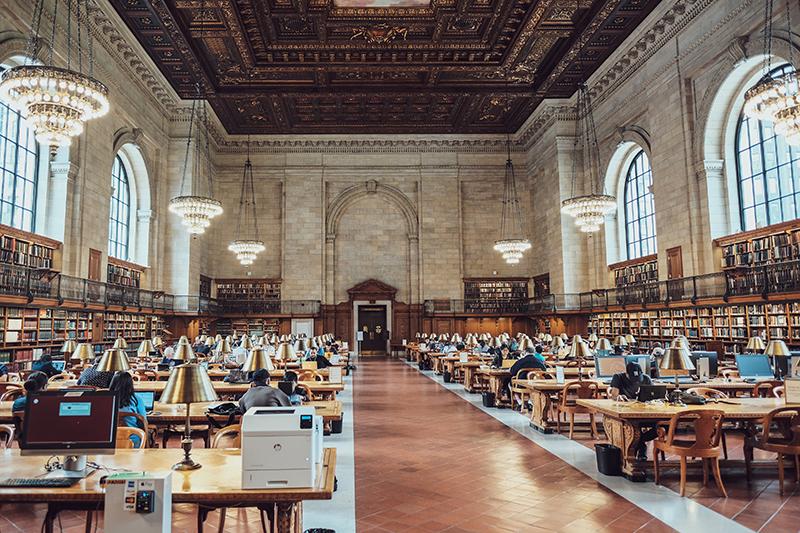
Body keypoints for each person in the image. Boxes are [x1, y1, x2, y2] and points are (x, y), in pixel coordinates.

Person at [610, 362, 657, 459]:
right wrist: (619, 396)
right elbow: (614, 395)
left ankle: (640, 441)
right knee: (633, 426)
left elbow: (654, 394)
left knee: (664, 424)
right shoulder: (618, 377)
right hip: (626, 412)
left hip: (645, 411)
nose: (636, 381)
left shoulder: (646, 378)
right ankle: (641, 446)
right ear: (626, 373)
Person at [109, 372, 147, 447]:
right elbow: (143, 420)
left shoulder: (107, 400)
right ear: (130, 385)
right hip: (132, 440)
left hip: (109, 439)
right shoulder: (136, 399)